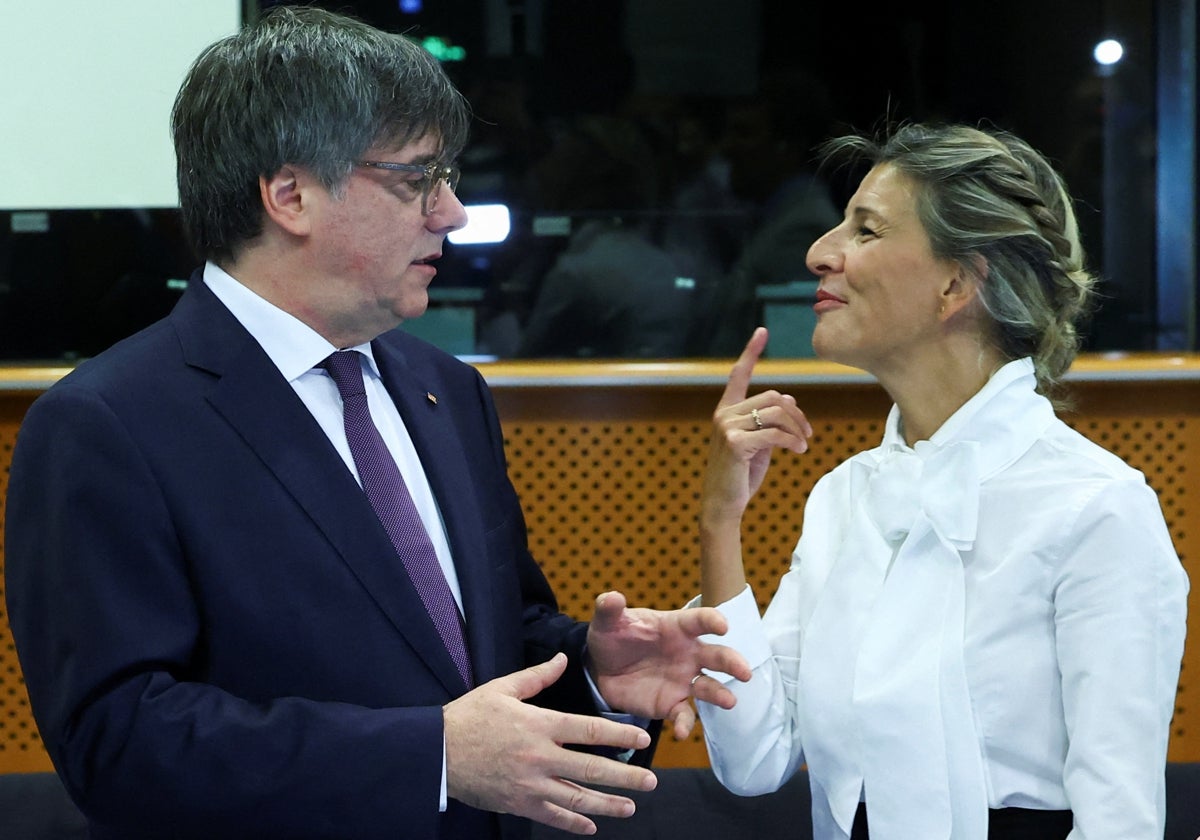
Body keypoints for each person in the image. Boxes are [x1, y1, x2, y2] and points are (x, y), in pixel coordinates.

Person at [2, 8, 750, 840]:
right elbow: (119, 741)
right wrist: (426, 756)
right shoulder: (107, 425)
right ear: (290, 195)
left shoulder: (447, 391)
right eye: (417, 179)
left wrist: (595, 673)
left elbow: (488, 644)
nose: (454, 213)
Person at [687, 123, 1189, 839]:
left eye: (864, 230)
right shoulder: (843, 495)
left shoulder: (1098, 508)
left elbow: (1121, 820)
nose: (818, 252)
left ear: (957, 282)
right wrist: (719, 521)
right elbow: (756, 760)